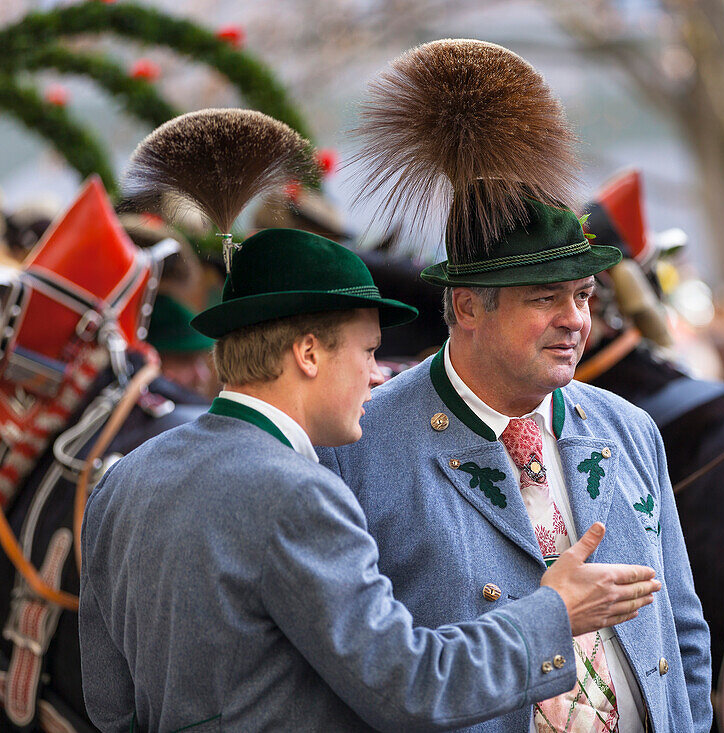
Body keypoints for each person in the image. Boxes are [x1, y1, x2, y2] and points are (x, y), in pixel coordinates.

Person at [79, 111, 661, 732]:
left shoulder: (125, 478)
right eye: (365, 351)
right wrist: (556, 609)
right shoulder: (300, 494)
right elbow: (410, 687)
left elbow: (108, 704)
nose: (377, 373)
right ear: (307, 353)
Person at [320, 39, 711, 732]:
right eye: (544, 298)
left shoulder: (629, 429)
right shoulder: (358, 445)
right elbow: (359, 674)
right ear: (467, 307)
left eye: (585, 296)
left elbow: (683, 633)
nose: (574, 321)